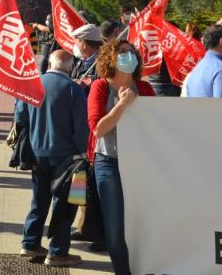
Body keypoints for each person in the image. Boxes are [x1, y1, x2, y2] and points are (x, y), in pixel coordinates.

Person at [87, 39, 155, 275]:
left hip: (140, 164)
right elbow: (98, 129)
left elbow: (158, 125)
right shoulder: (100, 87)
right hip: (109, 164)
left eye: (132, 52)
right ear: (110, 58)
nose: (129, 56)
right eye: (123, 52)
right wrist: (122, 105)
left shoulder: (144, 89)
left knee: (142, 224)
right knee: (115, 229)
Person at [16, 49, 87, 267]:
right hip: (68, 158)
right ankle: (57, 252)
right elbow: (81, 127)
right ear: (70, 67)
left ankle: (30, 243)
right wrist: (84, 153)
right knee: (65, 205)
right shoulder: (74, 89)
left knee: (39, 200)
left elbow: (20, 118)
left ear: (50, 64)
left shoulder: (33, 85)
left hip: (37, 153)